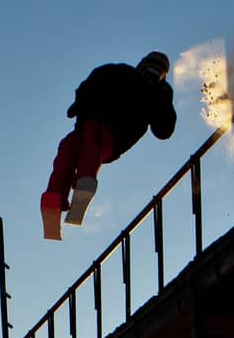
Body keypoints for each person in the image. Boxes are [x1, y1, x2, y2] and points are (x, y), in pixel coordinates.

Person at [41, 51, 177, 240]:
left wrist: (162, 98)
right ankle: (54, 201)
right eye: (148, 69)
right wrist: (79, 103)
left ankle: (84, 183)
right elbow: (96, 79)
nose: (150, 74)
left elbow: (163, 131)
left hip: (113, 137)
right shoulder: (123, 73)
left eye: (156, 72)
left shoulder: (157, 93)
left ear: (161, 76)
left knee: (92, 135)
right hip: (88, 129)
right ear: (141, 66)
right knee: (68, 147)